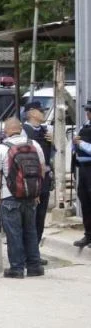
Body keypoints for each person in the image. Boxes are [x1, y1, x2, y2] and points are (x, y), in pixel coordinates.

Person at [0, 117, 46, 278]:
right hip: (30, 196)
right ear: (20, 128)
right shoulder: (34, 145)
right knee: (30, 231)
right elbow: (42, 169)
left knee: (14, 233)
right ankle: (34, 266)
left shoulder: (2, 148)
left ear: (6, 131)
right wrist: (36, 192)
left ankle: (17, 268)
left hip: (9, 197)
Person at [22, 101, 53, 262]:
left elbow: (56, 153)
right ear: (31, 112)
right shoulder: (23, 132)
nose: (43, 113)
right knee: (29, 217)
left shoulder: (46, 131)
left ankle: (34, 253)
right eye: (41, 111)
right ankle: (26, 253)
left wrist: (54, 141)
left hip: (45, 179)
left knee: (40, 217)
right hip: (29, 179)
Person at [73, 100, 91, 248]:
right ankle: (88, 235)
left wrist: (81, 144)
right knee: (85, 201)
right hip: (84, 169)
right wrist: (75, 143)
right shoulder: (84, 126)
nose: (88, 113)